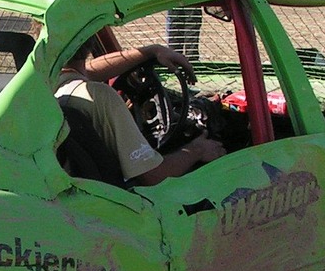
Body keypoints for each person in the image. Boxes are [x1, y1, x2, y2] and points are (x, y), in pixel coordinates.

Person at [56, 40, 226, 185]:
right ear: (89, 40)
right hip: (122, 201)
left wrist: (152, 51)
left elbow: (88, 71)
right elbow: (153, 176)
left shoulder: (45, 81)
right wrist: (198, 149)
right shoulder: (100, 96)